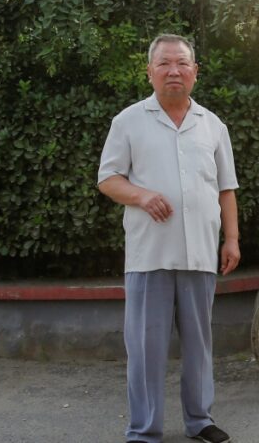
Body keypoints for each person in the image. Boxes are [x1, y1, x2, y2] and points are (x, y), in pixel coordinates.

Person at [98, 34, 239, 443]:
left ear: (195, 71)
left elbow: (226, 188)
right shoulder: (128, 121)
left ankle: (200, 420)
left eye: (181, 63)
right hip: (149, 255)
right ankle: (144, 430)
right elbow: (108, 178)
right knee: (145, 349)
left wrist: (231, 239)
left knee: (199, 345)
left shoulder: (212, 125)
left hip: (200, 254)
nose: (173, 70)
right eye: (164, 64)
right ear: (150, 72)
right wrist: (141, 195)